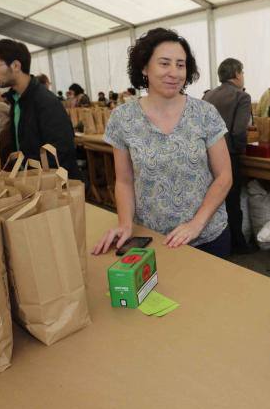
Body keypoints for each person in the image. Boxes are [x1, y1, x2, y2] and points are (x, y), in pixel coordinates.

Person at [92, 28, 232, 257]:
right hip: (152, 238)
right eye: (164, 63)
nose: (174, 73)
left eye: (180, 65)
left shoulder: (205, 113)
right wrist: (125, 223)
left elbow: (224, 176)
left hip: (207, 237)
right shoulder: (123, 118)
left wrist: (196, 224)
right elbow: (124, 181)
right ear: (145, 67)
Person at [0, 39, 80, 178]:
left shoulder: (45, 102)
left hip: (48, 185)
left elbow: (60, 152)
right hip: (28, 180)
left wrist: (39, 182)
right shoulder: (16, 99)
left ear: (16, 65)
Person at [203, 58, 254, 254]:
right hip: (228, 156)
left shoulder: (208, 96)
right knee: (232, 201)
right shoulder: (242, 97)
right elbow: (239, 130)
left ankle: (216, 240)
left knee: (214, 198)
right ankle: (238, 244)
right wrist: (241, 150)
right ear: (237, 74)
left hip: (206, 155)